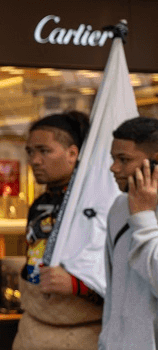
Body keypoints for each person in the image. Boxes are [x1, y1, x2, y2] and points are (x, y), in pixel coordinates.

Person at [13, 111, 103, 350]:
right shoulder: (39, 203)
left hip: (81, 330)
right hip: (33, 325)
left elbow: (120, 275)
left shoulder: (95, 205)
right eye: (30, 152)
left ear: (72, 153)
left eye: (44, 151)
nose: (35, 160)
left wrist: (77, 286)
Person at [100, 116, 158, 349]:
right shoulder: (119, 207)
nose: (114, 168)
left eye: (124, 159)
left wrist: (143, 217)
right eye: (113, 158)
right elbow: (114, 289)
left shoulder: (135, 210)